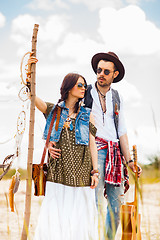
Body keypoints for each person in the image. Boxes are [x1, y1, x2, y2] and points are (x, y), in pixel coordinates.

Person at [47, 52, 142, 240]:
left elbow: (121, 131)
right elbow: (62, 112)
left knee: (116, 207)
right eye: (99, 70)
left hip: (115, 154)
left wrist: (129, 161)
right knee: (95, 204)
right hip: (93, 151)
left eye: (106, 71)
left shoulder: (117, 97)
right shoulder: (85, 92)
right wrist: (51, 140)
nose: (101, 74)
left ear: (115, 75)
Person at [33, 73, 99, 240]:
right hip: (58, 174)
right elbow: (32, 96)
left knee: (80, 221)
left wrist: (95, 172)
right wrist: (29, 76)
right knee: (55, 218)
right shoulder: (52, 111)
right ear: (69, 88)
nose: (84, 88)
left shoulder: (87, 114)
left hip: (82, 175)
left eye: (84, 85)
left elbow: (92, 144)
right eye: (80, 85)